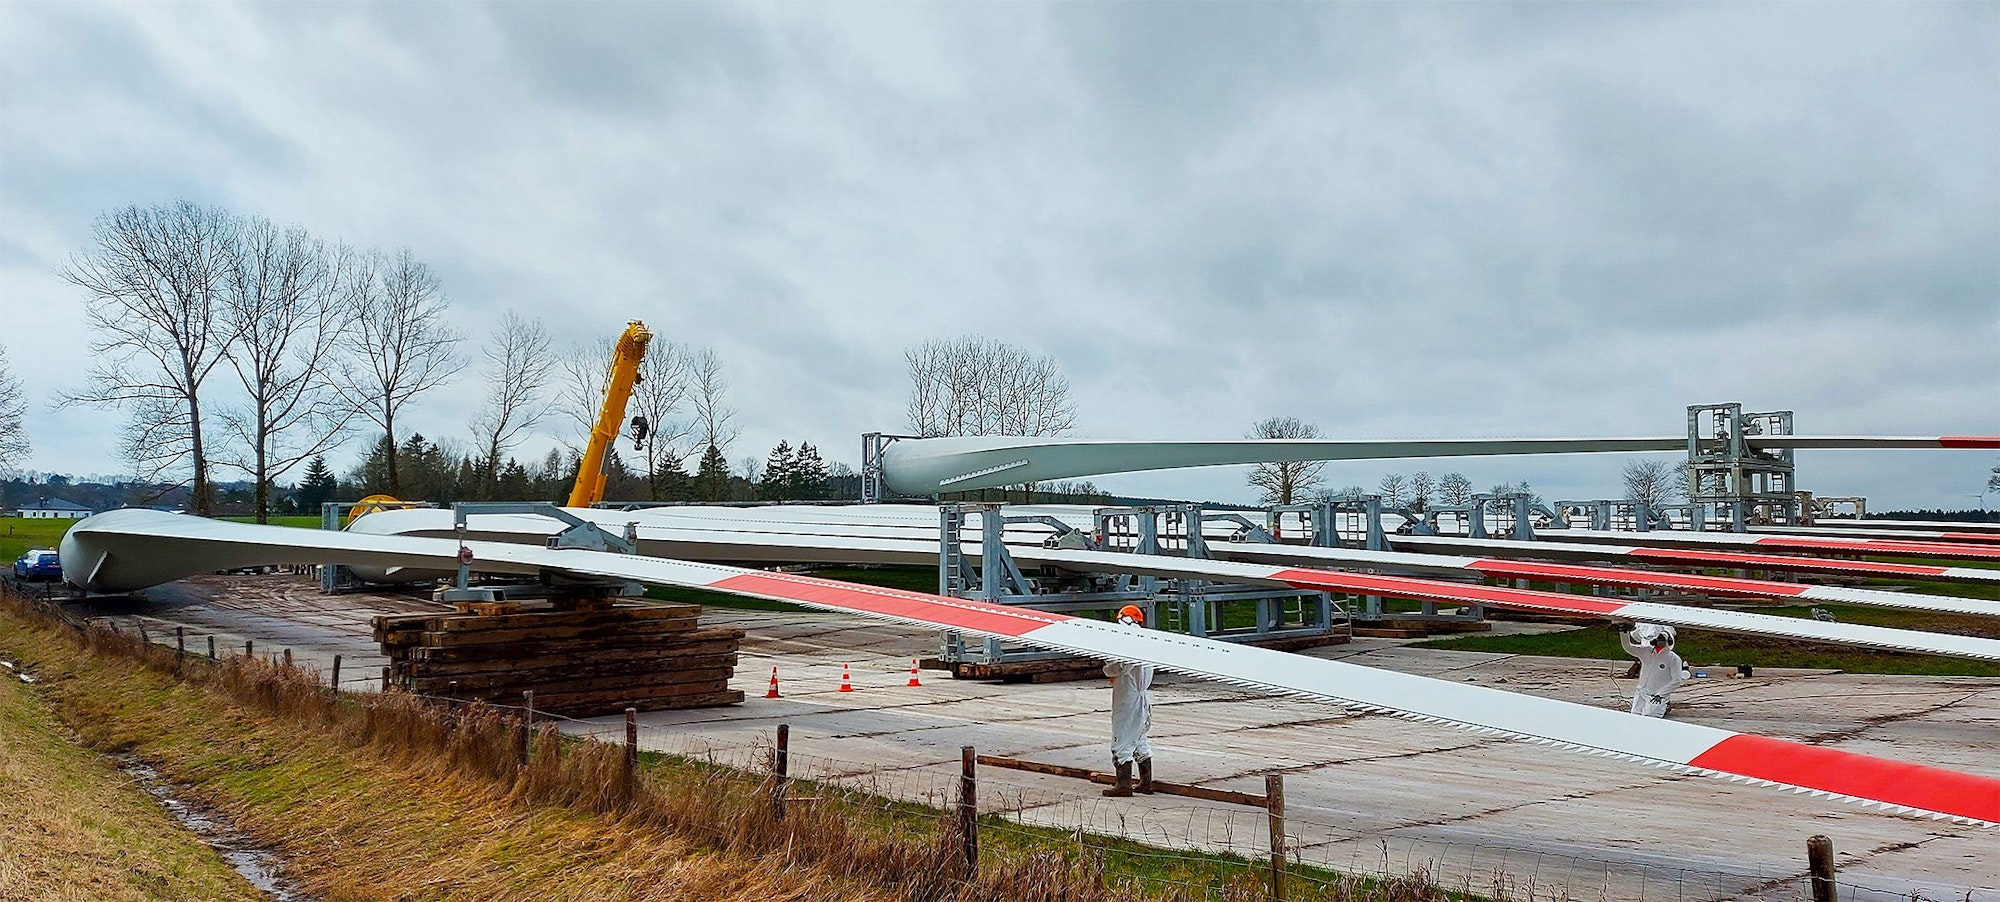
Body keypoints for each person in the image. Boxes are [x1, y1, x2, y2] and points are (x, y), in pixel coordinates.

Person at [1102, 604, 1156, 797]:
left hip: (1128, 694)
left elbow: (1123, 665)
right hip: (1142, 695)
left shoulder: (1126, 635)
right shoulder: (1146, 638)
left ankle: (1123, 785)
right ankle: (1146, 782)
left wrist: (1108, 670)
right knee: (1139, 738)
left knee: (1121, 737)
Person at [1618, 622, 1688, 717]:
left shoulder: (1673, 658)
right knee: (1634, 715)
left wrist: (1661, 694)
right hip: (1642, 692)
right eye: (1658, 638)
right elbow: (1628, 647)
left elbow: (1676, 680)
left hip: (1656, 695)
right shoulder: (1646, 652)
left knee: (1650, 716)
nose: (1659, 640)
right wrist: (1623, 632)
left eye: (1662, 639)